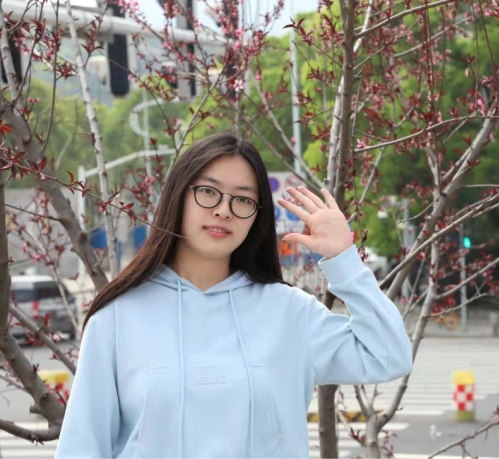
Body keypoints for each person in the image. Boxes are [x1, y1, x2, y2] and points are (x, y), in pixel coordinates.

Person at [55, 133, 413, 458]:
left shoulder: (289, 312)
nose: (224, 210)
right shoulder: (118, 318)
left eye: (243, 200)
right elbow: (81, 449)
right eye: (208, 192)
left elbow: (388, 355)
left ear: (256, 217)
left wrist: (343, 260)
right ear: (178, 196)